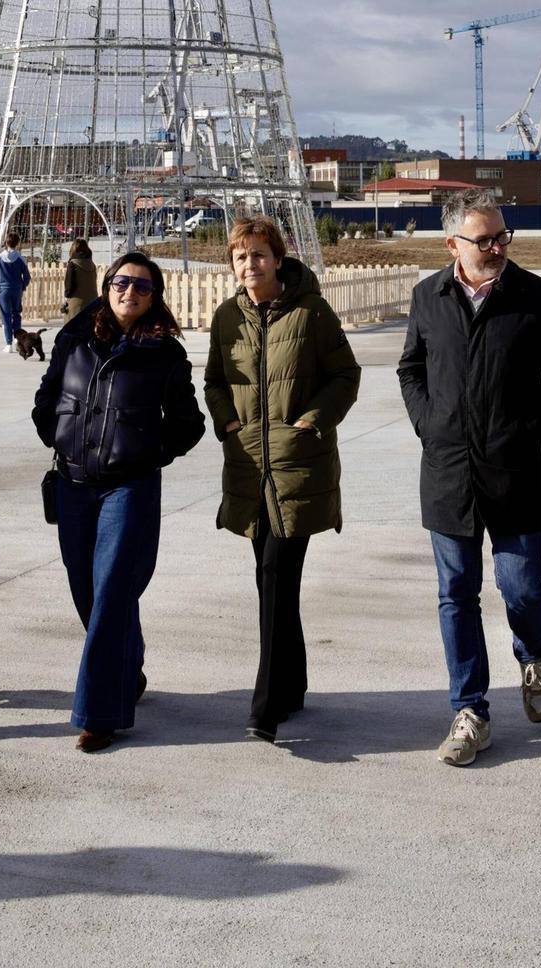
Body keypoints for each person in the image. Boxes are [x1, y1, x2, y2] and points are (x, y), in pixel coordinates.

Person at [397, 190, 541, 766]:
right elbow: (411, 368)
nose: (498, 246)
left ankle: (533, 657)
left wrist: (528, 427)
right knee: (456, 595)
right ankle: (470, 710)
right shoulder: (428, 295)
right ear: (452, 242)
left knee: (521, 586)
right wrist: (430, 425)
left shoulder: (535, 295)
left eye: (503, 235)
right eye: (485, 239)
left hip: (515, 470)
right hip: (448, 473)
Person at [33, 251, 205, 752]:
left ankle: (98, 714)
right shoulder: (73, 340)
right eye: (122, 282)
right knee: (88, 595)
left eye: (143, 286)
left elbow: (188, 425)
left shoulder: (165, 355)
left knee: (111, 591)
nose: (130, 291)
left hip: (126, 487)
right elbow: (48, 397)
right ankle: (127, 668)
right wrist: (57, 431)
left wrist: (146, 451)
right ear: (107, 286)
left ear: (155, 299)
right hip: (72, 484)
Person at [204, 216, 361, 744]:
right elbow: (213, 381)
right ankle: (292, 685)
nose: (251, 265)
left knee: (274, 577)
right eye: (241, 257)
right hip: (249, 466)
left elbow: (346, 375)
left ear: (278, 258)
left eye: (260, 255)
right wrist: (228, 423)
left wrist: (312, 421)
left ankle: (266, 706)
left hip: (298, 466)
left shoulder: (312, 312)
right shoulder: (227, 317)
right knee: (271, 583)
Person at [0, 230, 31, 351]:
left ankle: (8, 344)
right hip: (16, 290)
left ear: (6, 242)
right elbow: (27, 276)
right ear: (17, 243)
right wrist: (22, 286)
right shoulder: (20, 258)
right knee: (17, 314)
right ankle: (17, 339)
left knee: (6, 316)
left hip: (3, 290)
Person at [63, 237, 98, 319]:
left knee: (72, 330)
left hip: (76, 306)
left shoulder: (73, 264)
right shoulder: (92, 264)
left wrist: (67, 297)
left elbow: (69, 287)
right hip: (92, 303)